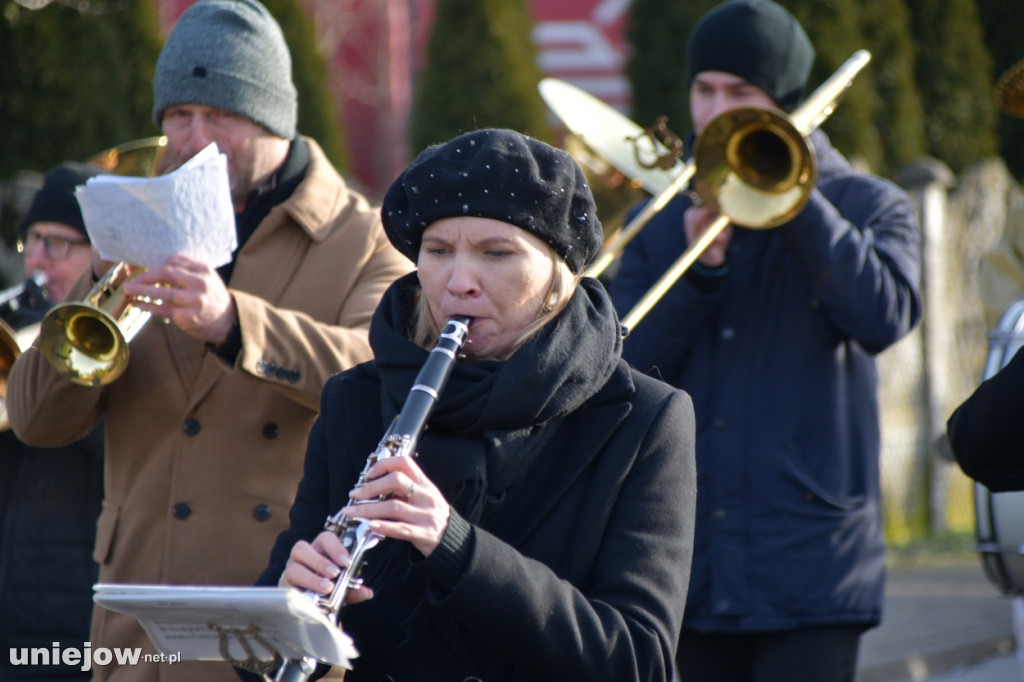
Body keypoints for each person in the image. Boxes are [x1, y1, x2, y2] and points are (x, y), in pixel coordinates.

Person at [6, 0, 411, 680]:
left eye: (220, 116)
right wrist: (96, 291)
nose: (195, 140)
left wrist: (234, 324)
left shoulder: (368, 242)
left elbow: (385, 376)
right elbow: (38, 422)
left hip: (271, 617)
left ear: (274, 118)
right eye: (178, 118)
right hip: (136, 628)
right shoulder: (135, 224)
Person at [255, 127, 698, 682]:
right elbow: (270, 658)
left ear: (557, 274)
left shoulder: (644, 420)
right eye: (438, 252)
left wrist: (458, 548)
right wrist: (284, 614)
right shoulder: (356, 401)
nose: (458, 282)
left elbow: (639, 660)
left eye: (496, 253)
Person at [607, 1, 924, 680]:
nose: (717, 110)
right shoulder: (659, 220)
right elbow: (618, 365)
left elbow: (885, 317)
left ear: (785, 103)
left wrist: (794, 204)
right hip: (683, 562)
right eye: (704, 90)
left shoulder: (869, 205)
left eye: (740, 93)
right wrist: (699, 278)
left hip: (812, 562)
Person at [0, 163, 105, 682]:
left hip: (76, 625)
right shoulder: (17, 326)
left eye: (60, 244)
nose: (38, 260)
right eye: (33, 241)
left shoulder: (128, 344)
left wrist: (55, 364)